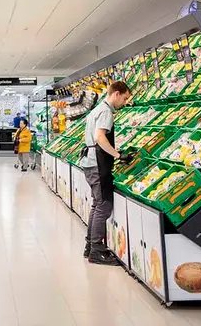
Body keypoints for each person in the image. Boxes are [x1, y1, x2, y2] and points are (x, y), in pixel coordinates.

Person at [81, 81, 133, 266]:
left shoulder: (96, 109)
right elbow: (100, 137)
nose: (124, 102)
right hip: (98, 164)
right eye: (125, 98)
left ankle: (90, 245)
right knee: (103, 206)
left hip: (89, 162)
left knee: (97, 205)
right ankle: (96, 249)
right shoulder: (106, 112)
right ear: (116, 94)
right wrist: (118, 155)